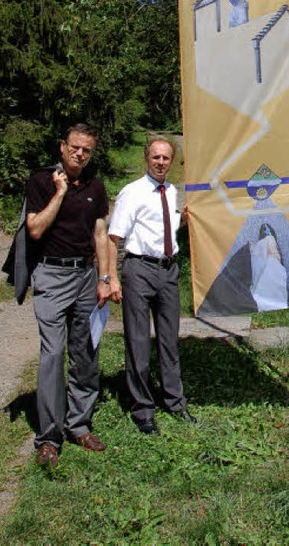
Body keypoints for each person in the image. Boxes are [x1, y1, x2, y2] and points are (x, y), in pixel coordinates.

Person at [26, 123, 113, 468]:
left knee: (87, 350)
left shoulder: (96, 186)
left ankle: (78, 425)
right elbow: (34, 228)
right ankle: (48, 437)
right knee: (52, 354)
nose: (80, 154)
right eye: (75, 147)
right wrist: (59, 194)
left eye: (86, 150)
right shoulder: (41, 181)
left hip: (85, 276)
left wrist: (105, 278)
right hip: (51, 273)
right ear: (62, 147)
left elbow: (100, 233)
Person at [107, 137, 194, 434]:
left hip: (169, 271)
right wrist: (112, 277)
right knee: (139, 342)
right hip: (139, 269)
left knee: (170, 341)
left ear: (172, 162)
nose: (160, 162)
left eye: (166, 158)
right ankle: (143, 409)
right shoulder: (131, 192)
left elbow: (168, 228)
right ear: (147, 158)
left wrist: (186, 219)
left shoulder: (171, 192)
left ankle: (175, 402)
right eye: (155, 157)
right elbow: (114, 237)